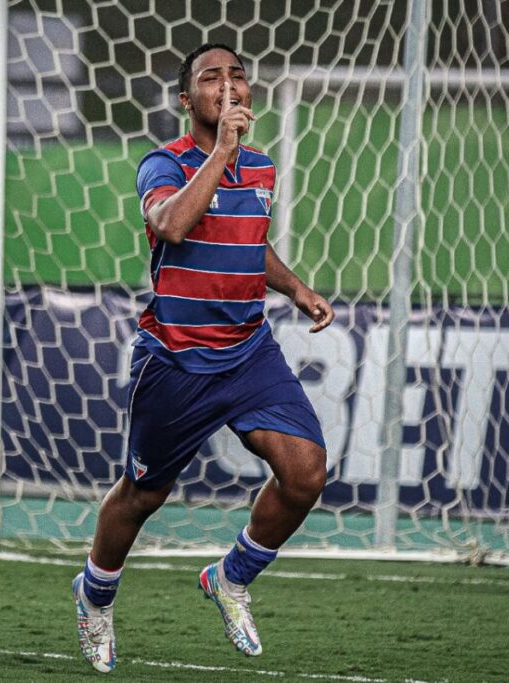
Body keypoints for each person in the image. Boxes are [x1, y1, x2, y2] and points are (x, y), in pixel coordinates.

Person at [72, 44, 334, 672]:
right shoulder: (164, 162)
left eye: (237, 75)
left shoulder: (263, 168)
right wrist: (220, 154)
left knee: (306, 474)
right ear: (187, 101)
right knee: (142, 495)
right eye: (211, 77)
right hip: (177, 360)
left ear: (249, 96)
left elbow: (249, 243)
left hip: (248, 352)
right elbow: (170, 224)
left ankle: (231, 576)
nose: (228, 83)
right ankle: (95, 594)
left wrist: (295, 288)